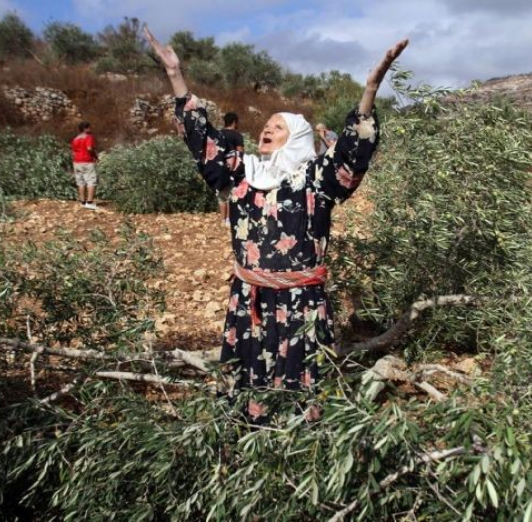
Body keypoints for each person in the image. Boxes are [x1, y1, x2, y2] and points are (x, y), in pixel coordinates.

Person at [145, 24, 408, 423]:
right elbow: (203, 142)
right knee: (247, 385)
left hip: (300, 304)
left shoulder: (315, 180)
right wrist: (175, 74)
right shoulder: (241, 173)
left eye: (278, 125)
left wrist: (371, 87)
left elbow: (352, 153)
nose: (267, 129)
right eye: (266, 125)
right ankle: (247, 440)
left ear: (297, 137)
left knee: (298, 389)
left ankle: (298, 446)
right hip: (248, 299)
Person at [218, 112, 244, 225]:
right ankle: (229, 219)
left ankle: (222, 220)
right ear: (234, 122)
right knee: (231, 194)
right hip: (233, 168)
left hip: (220, 167)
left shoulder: (218, 134)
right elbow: (240, 152)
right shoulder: (237, 135)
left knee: (221, 195)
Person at [71, 121, 99, 210]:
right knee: (91, 181)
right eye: (89, 127)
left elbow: (73, 152)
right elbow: (89, 148)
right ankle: (89, 203)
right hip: (87, 161)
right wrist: (95, 156)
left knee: (80, 182)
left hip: (76, 162)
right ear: (85, 129)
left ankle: (82, 202)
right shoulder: (88, 137)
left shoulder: (75, 139)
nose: (90, 129)